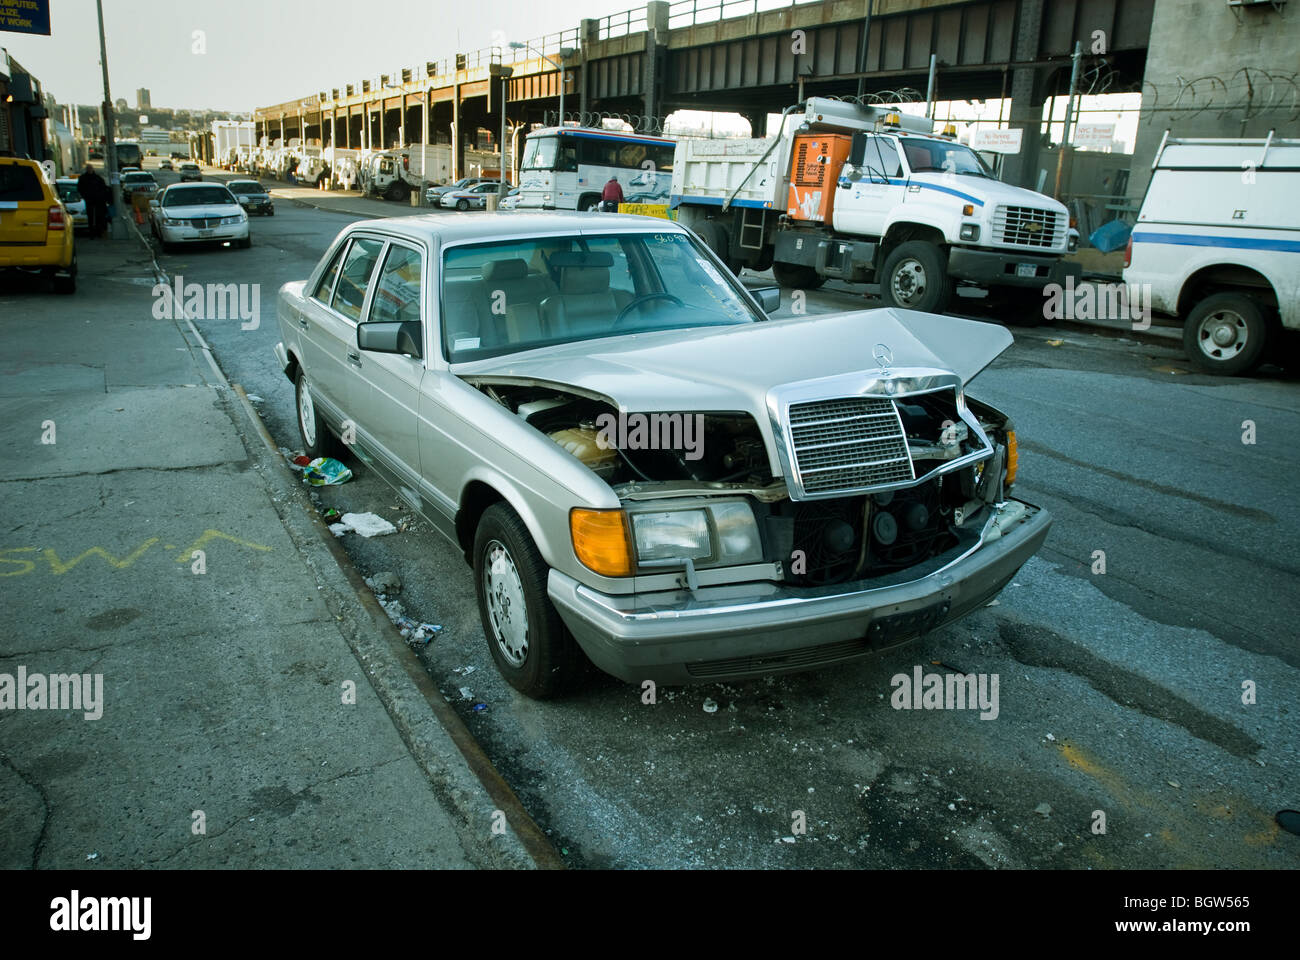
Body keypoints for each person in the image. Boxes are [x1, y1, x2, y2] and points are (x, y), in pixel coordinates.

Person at [77, 163, 109, 239]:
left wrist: (102, 197)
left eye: (90, 169)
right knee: (90, 217)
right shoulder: (83, 178)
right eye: (88, 169)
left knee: (98, 217)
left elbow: (103, 188)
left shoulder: (98, 178)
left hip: (98, 201)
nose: (89, 170)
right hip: (89, 200)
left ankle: (98, 232)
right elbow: (80, 188)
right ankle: (92, 233)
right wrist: (85, 196)